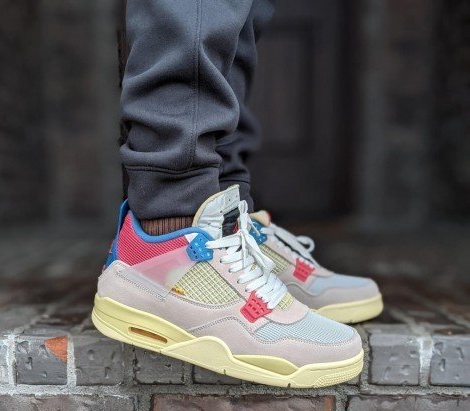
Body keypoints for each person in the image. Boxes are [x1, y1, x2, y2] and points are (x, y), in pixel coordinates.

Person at [92, 0, 383, 388]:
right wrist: (176, 193)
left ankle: (224, 228)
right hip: (179, 238)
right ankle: (172, 229)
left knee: (237, 21)